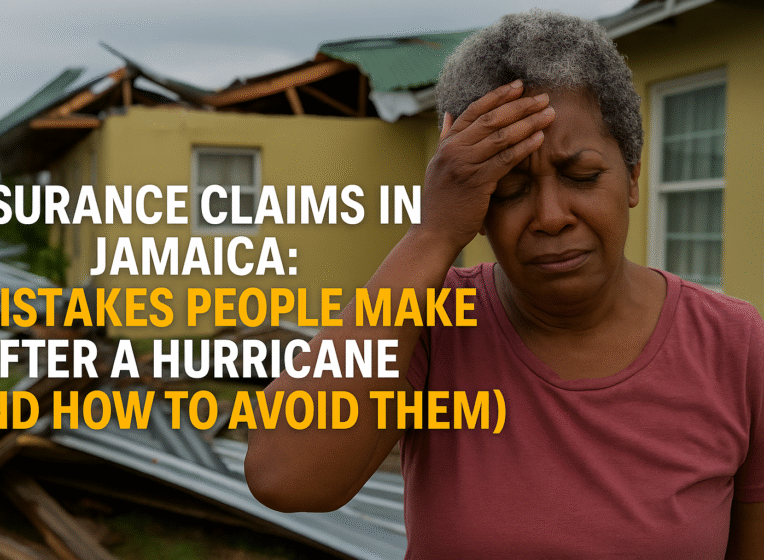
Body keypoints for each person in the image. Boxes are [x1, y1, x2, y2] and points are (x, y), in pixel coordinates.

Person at [244, 10, 764, 559]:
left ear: (632, 175)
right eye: (508, 190)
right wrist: (433, 233)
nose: (550, 215)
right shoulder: (433, 322)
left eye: (581, 176)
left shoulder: (732, 345)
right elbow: (285, 476)